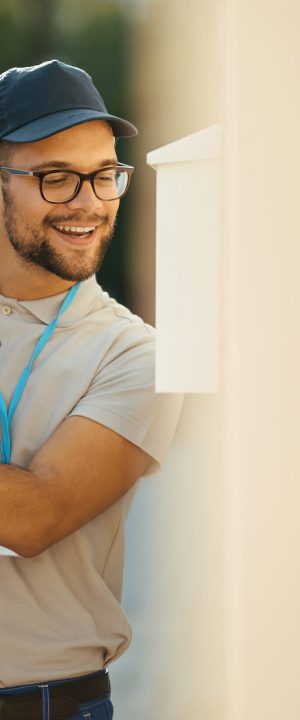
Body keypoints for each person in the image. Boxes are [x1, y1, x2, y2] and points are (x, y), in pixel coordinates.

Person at [0, 60, 183, 720]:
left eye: (105, 175)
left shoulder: (138, 356)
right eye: (55, 178)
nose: (88, 201)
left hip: (46, 705)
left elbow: (35, 517)